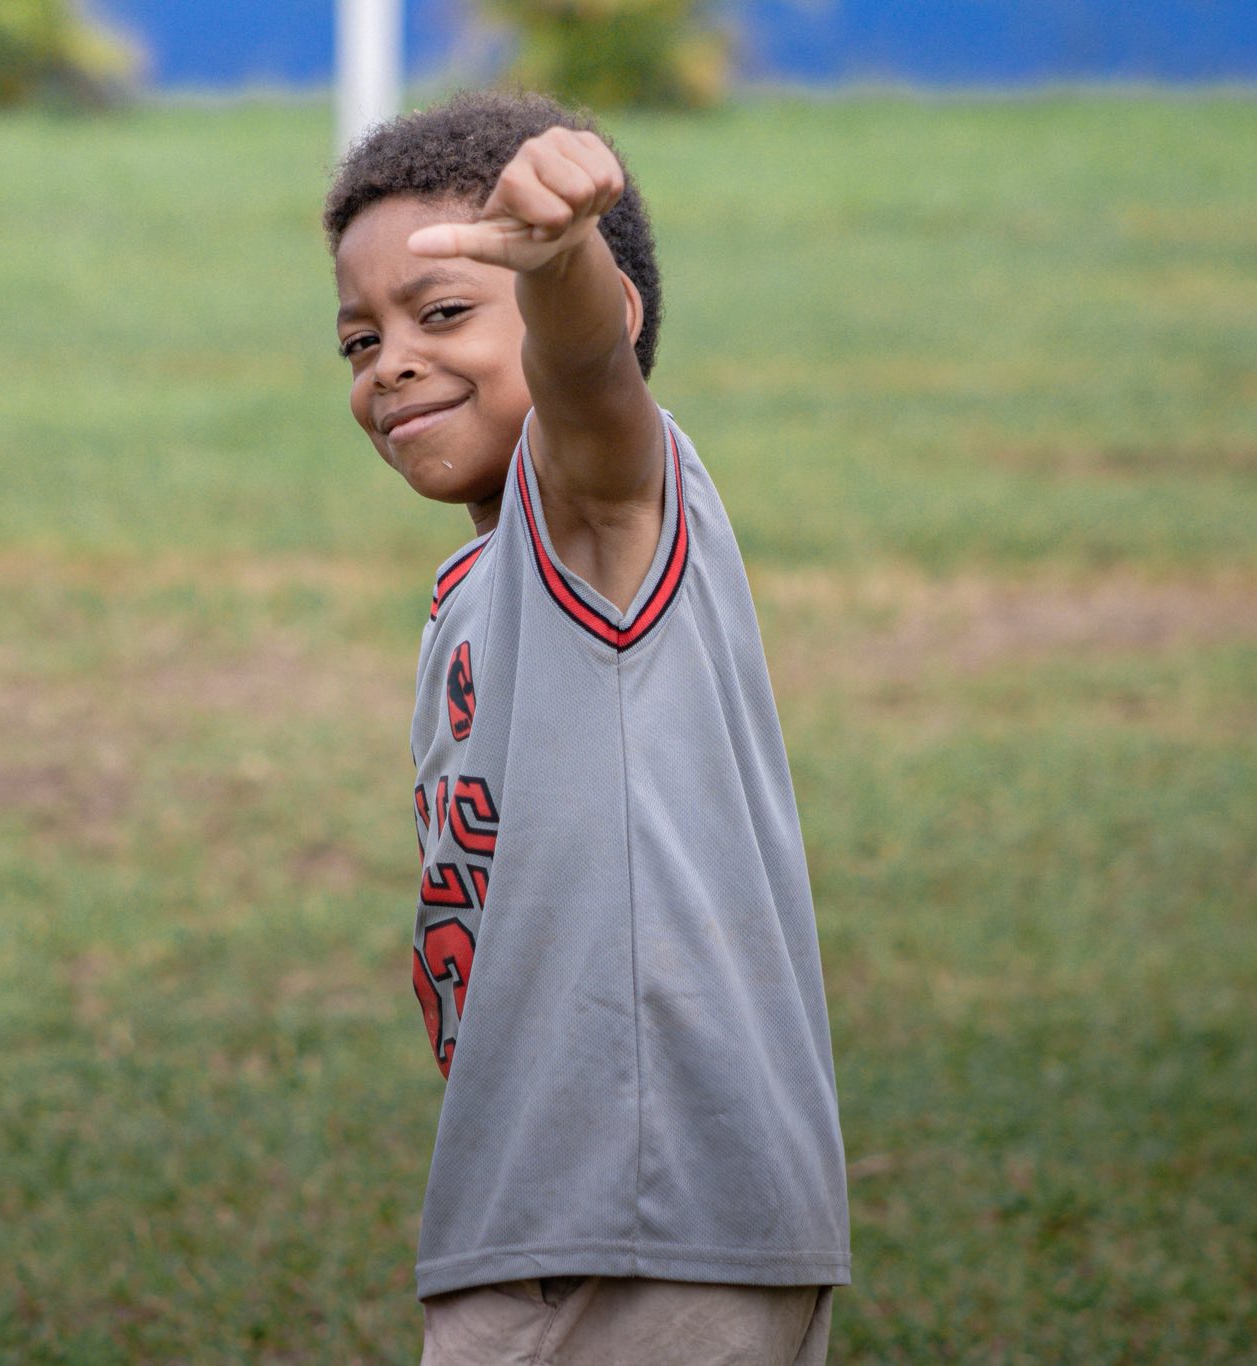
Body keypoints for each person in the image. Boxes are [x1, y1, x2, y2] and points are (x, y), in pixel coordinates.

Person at [324, 91, 851, 1364]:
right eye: (359, 339)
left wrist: (558, 257)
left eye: (443, 311)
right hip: (582, 1210)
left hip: (632, 1215)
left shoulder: (600, 518)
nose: (390, 364)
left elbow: (587, 381)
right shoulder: (479, 583)